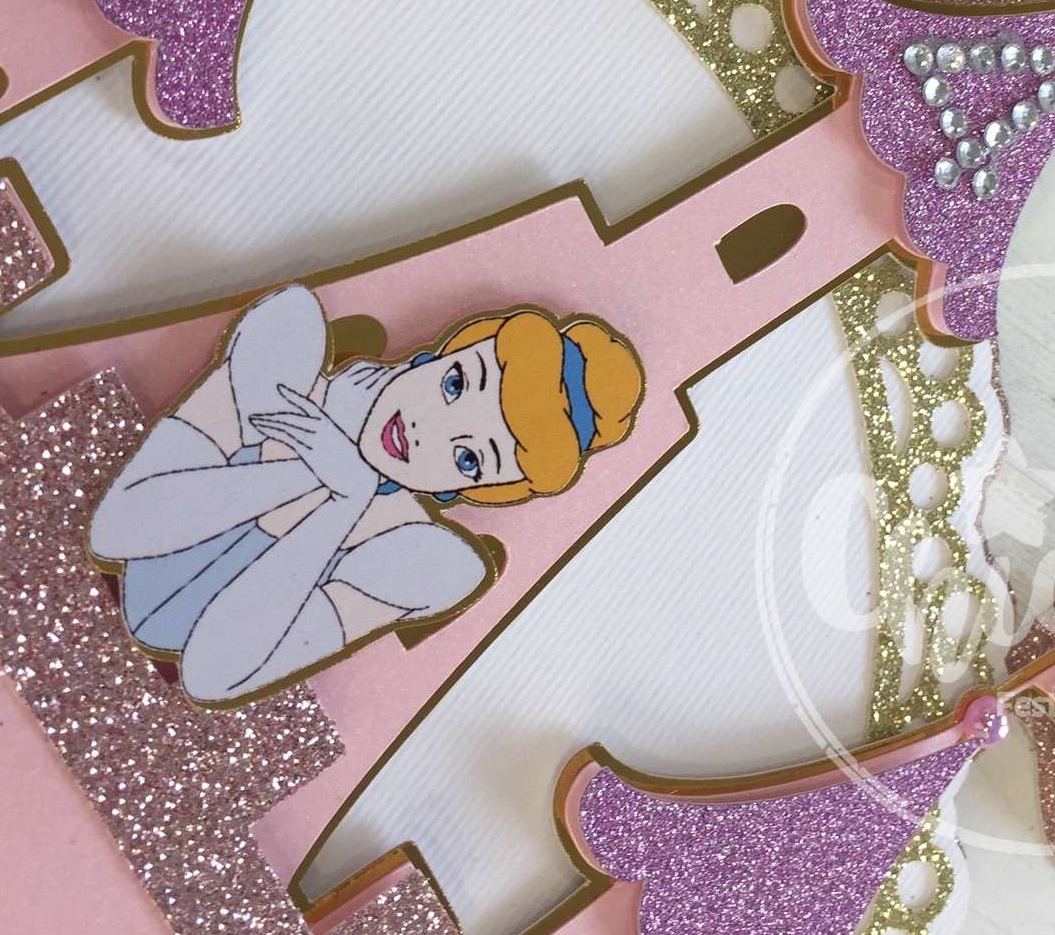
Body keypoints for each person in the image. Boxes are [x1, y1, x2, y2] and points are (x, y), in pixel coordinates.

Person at [88, 285, 643, 703]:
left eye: (468, 458)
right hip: (61, 551)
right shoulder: (288, 353)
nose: (426, 431)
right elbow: (117, 531)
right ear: (434, 358)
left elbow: (212, 673)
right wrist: (309, 470)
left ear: (471, 490)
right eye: (455, 384)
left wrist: (346, 499)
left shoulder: (426, 560)